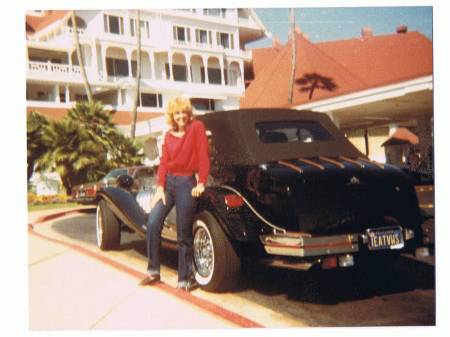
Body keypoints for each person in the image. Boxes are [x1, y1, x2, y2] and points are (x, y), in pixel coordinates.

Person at [139, 97, 210, 292]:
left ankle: (184, 278)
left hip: (187, 182)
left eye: (183, 112)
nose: (180, 116)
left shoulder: (196, 128)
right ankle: (153, 270)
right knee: (153, 222)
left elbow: (203, 155)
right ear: (172, 116)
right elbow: (164, 164)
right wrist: (160, 187)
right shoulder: (169, 136)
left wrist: (202, 182)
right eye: (176, 113)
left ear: (188, 113)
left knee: (183, 232)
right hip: (168, 183)